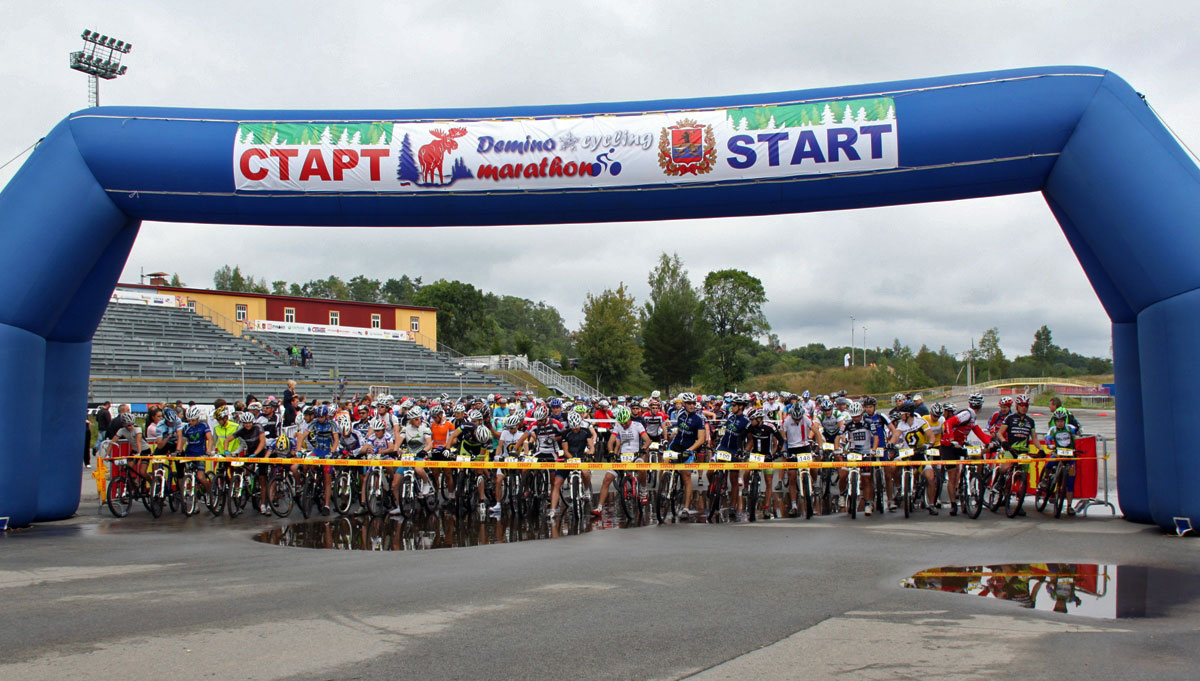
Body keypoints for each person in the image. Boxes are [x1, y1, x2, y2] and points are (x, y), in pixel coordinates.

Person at [939, 393, 992, 516]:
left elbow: (979, 432)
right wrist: (951, 439)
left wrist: (990, 443)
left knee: (978, 455)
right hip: (948, 445)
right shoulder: (967, 414)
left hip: (959, 444)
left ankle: (975, 478)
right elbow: (948, 423)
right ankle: (953, 505)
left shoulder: (972, 417)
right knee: (952, 475)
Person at [666, 393, 707, 519]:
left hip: (688, 447)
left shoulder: (699, 419)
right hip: (675, 445)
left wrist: (690, 450)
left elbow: (701, 439)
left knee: (686, 476)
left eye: (694, 403)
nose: (692, 405)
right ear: (684, 404)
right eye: (689, 403)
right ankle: (665, 486)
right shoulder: (680, 414)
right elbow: (678, 430)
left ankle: (686, 508)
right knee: (664, 463)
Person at [595, 407, 642, 515]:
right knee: (607, 478)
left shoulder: (637, 425)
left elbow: (647, 440)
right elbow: (610, 442)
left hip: (635, 455)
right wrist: (611, 452)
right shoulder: (618, 426)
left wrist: (643, 449)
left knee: (643, 469)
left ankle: (643, 490)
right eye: (622, 423)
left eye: (625, 422)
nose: (624, 425)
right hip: (623, 456)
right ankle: (599, 507)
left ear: (629, 419)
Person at [1041, 407, 1080, 515]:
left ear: (1064, 421)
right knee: (1049, 463)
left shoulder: (1069, 428)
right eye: (1058, 421)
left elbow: (1078, 430)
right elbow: (1048, 440)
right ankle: (1045, 479)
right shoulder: (1052, 430)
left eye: (1062, 421)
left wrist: (1077, 427)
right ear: (1055, 421)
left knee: (1070, 482)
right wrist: (1050, 445)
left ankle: (1069, 506)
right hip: (1058, 453)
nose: (1060, 423)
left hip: (1070, 456)